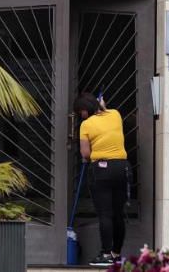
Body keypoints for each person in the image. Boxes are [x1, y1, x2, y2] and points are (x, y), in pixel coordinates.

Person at [73, 92, 129, 267]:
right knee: (118, 213)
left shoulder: (86, 124)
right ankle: (116, 253)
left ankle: (105, 255)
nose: (80, 115)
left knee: (105, 214)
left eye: (79, 112)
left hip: (101, 170)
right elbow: (106, 111)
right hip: (123, 168)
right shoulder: (115, 115)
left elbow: (85, 153)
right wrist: (103, 106)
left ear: (84, 110)